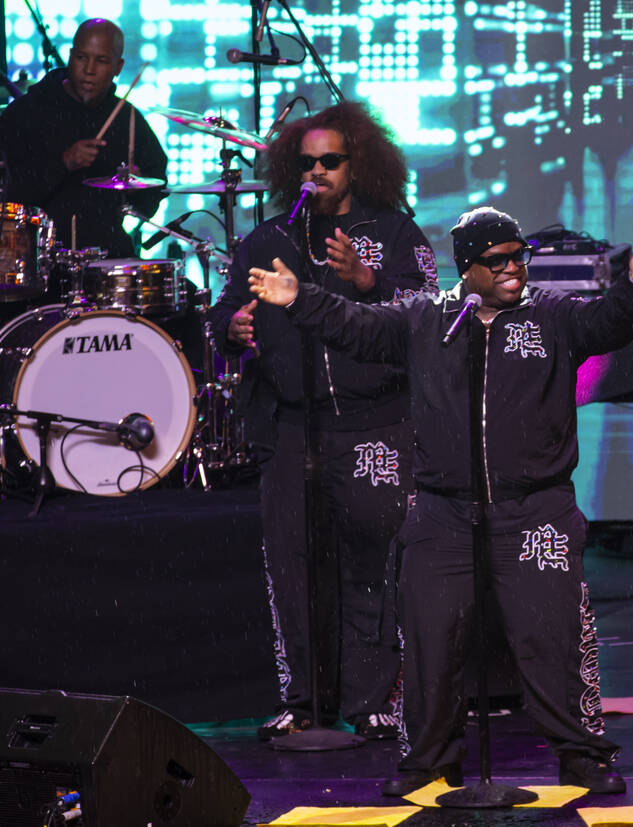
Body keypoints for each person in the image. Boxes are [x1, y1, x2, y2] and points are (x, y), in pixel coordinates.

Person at [247, 206, 633, 795]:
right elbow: (357, 326)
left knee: (550, 638)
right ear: (466, 267)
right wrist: (300, 299)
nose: (512, 269)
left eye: (518, 257)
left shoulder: (551, 316)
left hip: (535, 512)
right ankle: (426, 760)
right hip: (443, 513)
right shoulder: (427, 319)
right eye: (495, 261)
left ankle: (582, 755)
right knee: (430, 641)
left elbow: (608, 323)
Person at [208, 101, 438, 741]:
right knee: (292, 565)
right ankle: (304, 699)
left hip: (373, 425)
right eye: (306, 163)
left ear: (356, 162)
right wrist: (232, 326)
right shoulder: (268, 239)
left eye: (329, 161)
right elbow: (223, 311)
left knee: (372, 565)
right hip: (289, 428)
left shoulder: (394, 232)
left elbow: (426, 315)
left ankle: (372, 702)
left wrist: (365, 280)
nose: (317, 172)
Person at [0, 19, 167, 257]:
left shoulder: (126, 118)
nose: (89, 69)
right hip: (35, 259)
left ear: (117, 67)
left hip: (106, 255)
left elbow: (156, 185)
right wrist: (63, 163)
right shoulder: (26, 113)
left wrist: (137, 187)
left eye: (101, 61)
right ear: (70, 57)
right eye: (81, 58)